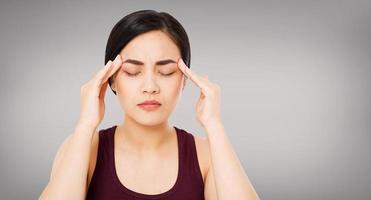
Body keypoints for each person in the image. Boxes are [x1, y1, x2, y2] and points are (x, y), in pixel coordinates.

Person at [39, 10, 259, 200]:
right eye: (133, 72)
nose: (150, 87)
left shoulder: (207, 155)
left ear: (184, 79)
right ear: (111, 79)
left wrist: (215, 126)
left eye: (166, 72)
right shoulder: (82, 147)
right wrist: (85, 125)